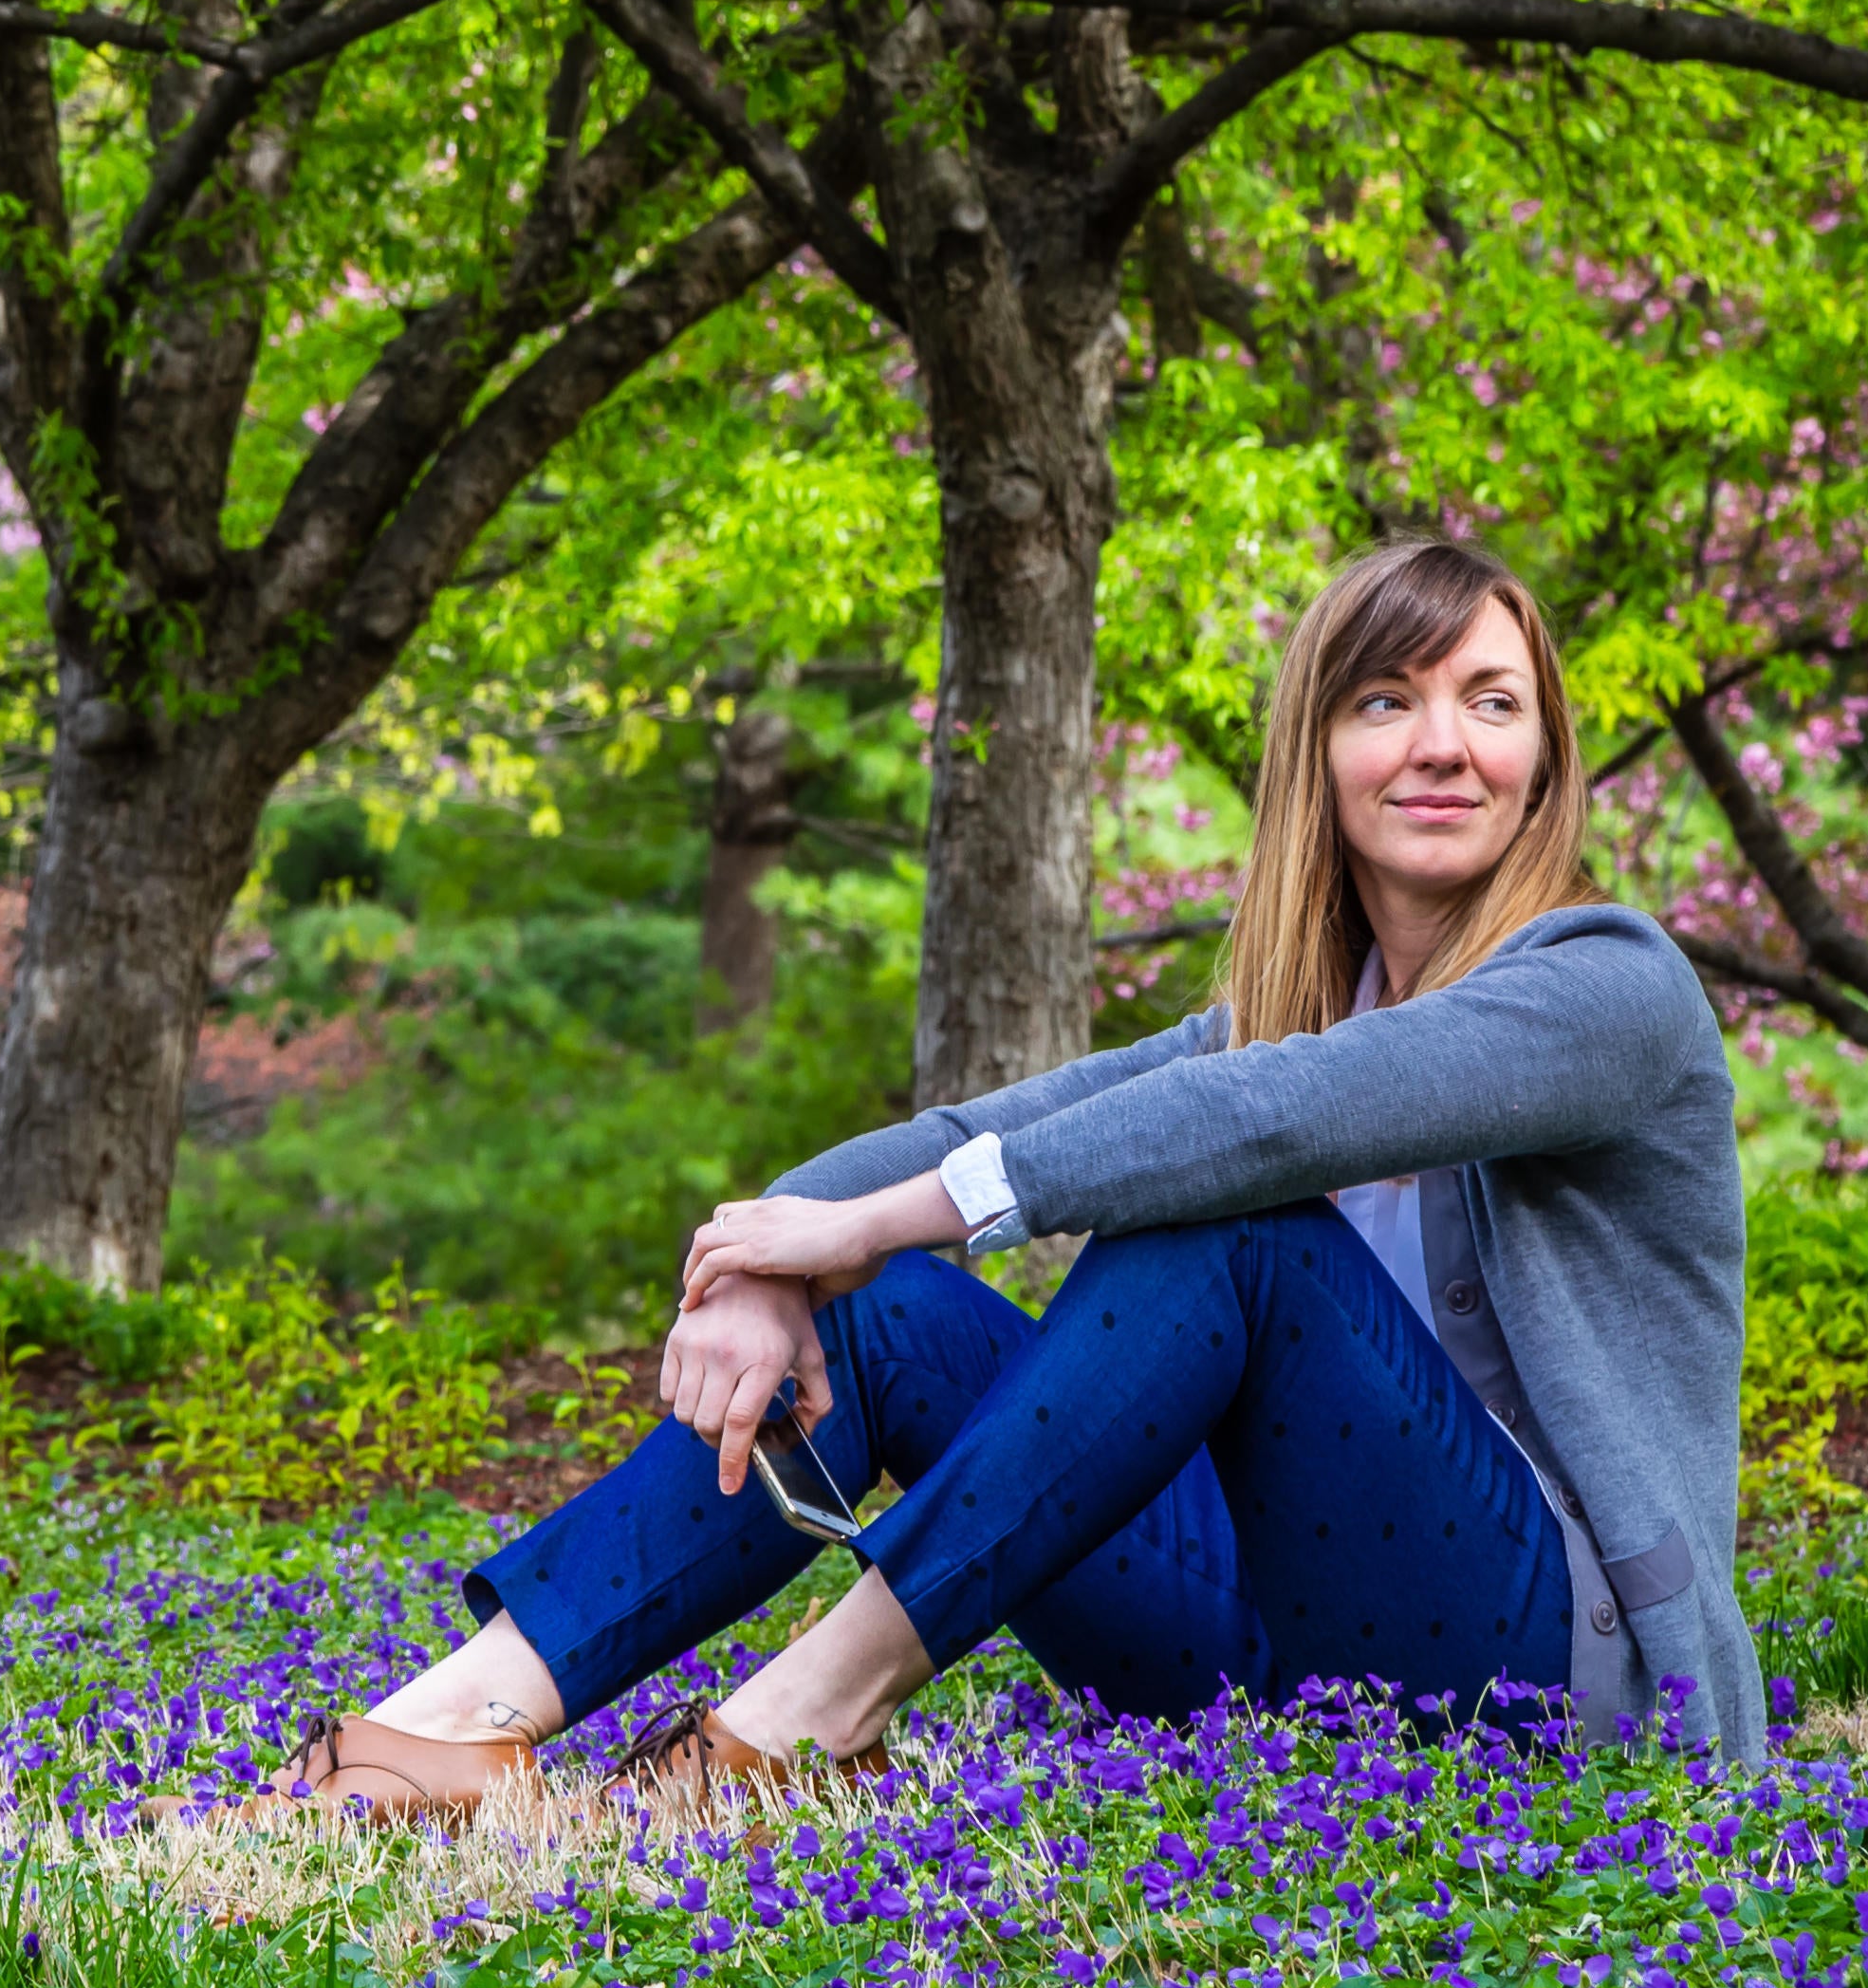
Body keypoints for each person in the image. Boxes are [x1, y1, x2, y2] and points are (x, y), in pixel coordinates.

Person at [264, 535, 1763, 1822]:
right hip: (1267, 1649)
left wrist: (872, 1222)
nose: (1444, 743)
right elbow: (978, 1124)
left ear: (1544, 759)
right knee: (895, 1310)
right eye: (1390, 700)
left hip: (1548, 1680)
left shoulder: (1609, 986)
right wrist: (774, 1257)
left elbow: (1274, 1124)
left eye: (1490, 703)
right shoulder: (1275, 1019)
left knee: (1229, 1219)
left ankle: (798, 1730)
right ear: (1319, 749)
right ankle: (443, 1734)